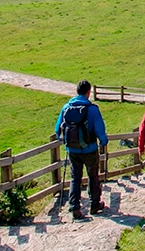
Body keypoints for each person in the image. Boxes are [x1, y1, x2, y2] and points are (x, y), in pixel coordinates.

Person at [55, 80, 108, 219]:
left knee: (75, 178)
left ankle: (75, 207)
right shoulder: (92, 109)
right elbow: (100, 129)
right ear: (88, 92)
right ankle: (94, 204)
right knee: (93, 176)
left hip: (72, 150)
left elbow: (57, 129)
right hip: (89, 148)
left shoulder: (66, 107)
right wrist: (103, 141)